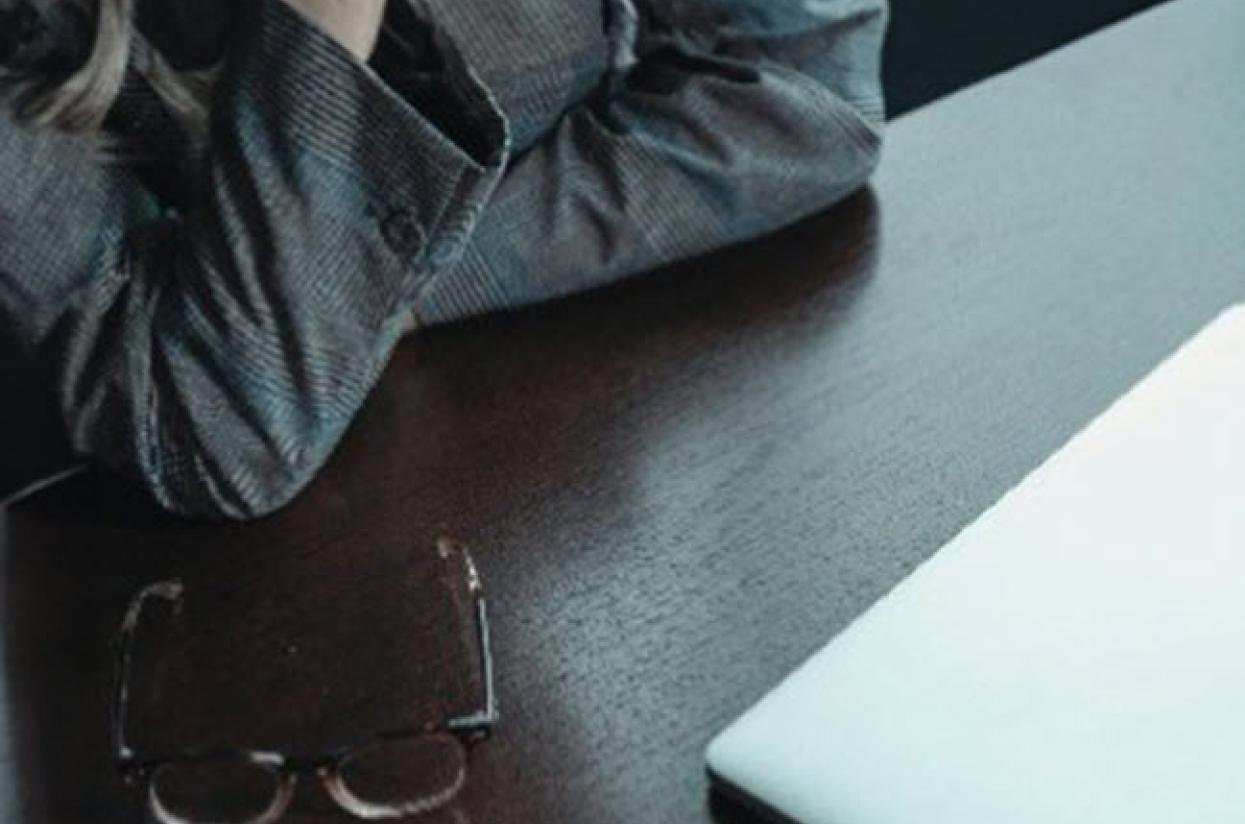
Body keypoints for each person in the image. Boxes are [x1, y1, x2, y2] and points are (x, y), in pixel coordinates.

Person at [0, 0, 886, 517]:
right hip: (166, 624)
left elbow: (803, 94)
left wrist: (418, 287)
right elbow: (214, 428)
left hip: (560, 499)